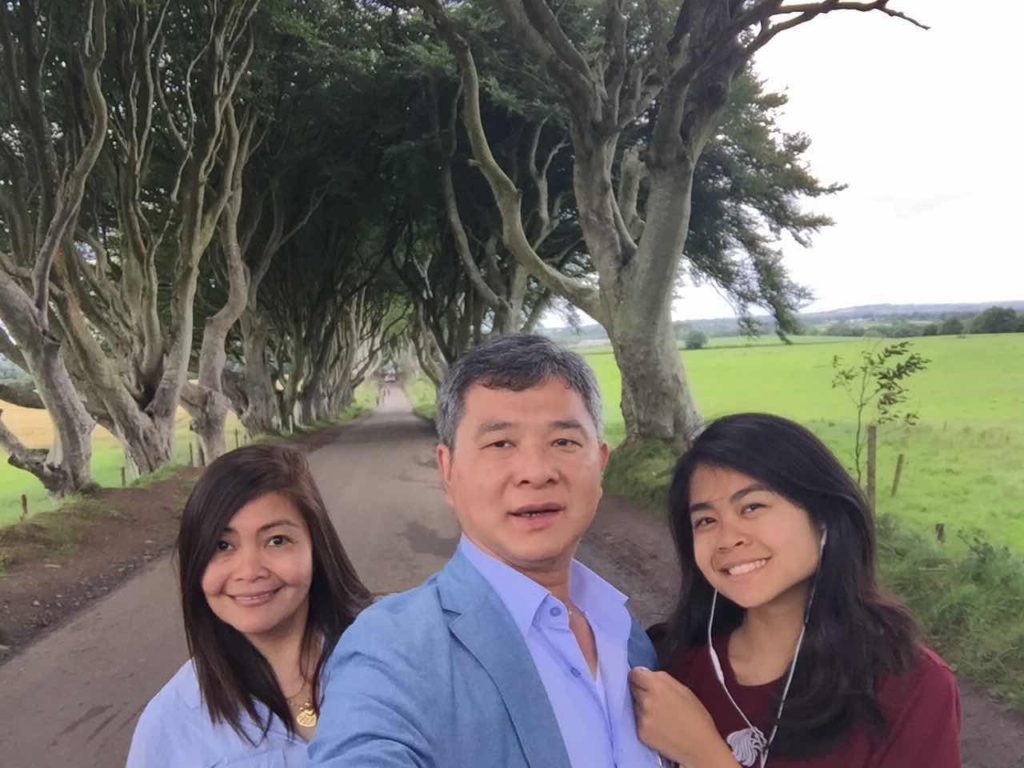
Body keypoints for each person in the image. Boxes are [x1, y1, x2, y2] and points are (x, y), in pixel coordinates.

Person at [309, 334, 661, 767]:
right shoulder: (393, 651)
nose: (536, 472)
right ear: (448, 470)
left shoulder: (627, 635)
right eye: (500, 444)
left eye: (564, 442)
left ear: (601, 463)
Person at [630, 413, 962, 768]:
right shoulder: (669, 662)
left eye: (752, 506)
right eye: (706, 520)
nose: (728, 538)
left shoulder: (907, 685)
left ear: (823, 518)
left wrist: (708, 757)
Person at [127, 444, 370, 767]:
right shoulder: (171, 725)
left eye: (277, 540)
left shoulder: (392, 656)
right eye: (222, 545)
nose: (250, 571)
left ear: (315, 547)